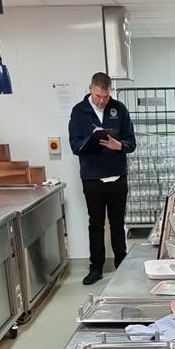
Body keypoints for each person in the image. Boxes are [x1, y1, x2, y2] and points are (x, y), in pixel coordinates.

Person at [69, 72, 136, 286]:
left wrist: (120, 145)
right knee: (95, 224)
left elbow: (131, 142)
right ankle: (96, 268)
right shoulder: (79, 112)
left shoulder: (119, 109)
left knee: (118, 223)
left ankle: (121, 264)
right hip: (92, 178)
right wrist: (90, 141)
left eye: (106, 97)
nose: (102, 101)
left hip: (117, 176)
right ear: (90, 88)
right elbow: (74, 145)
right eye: (98, 96)